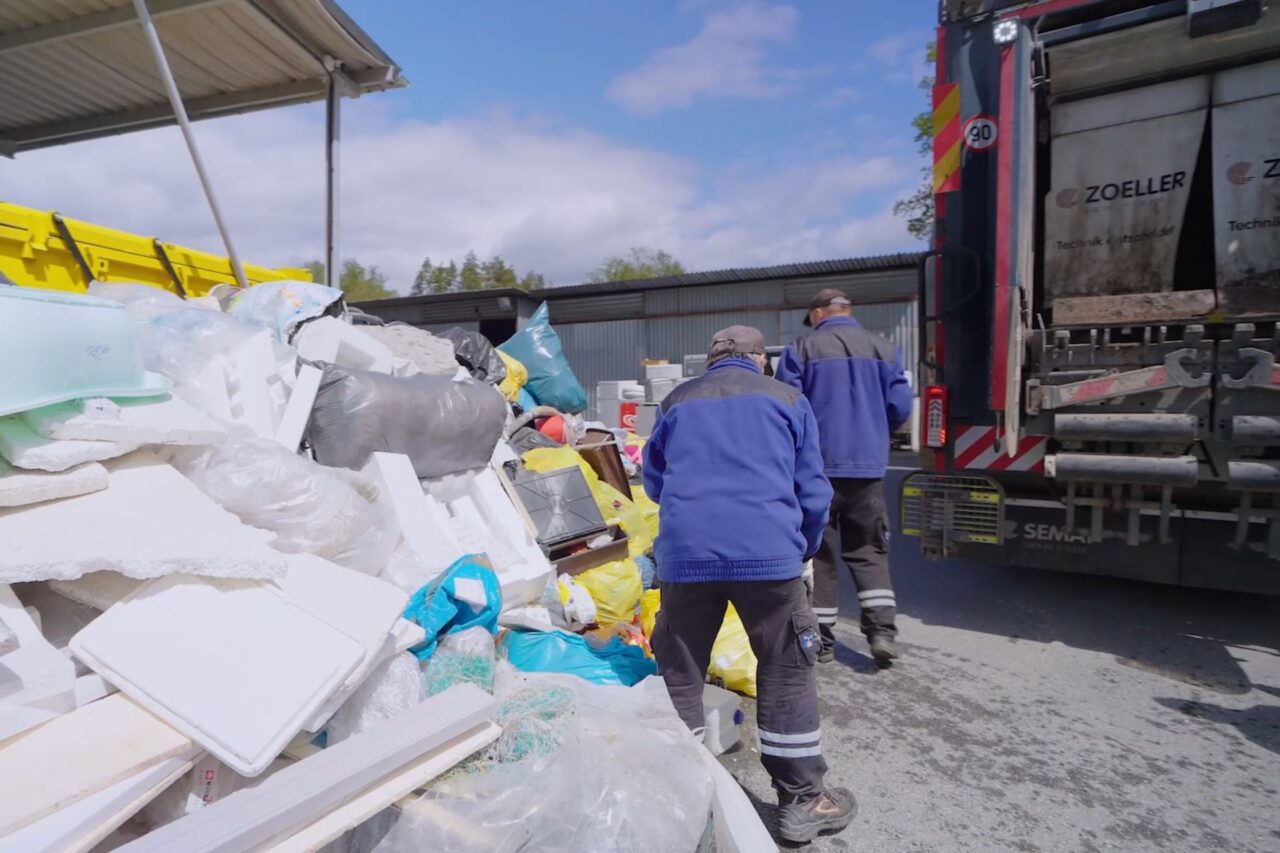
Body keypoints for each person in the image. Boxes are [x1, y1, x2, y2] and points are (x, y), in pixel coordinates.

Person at [644, 325, 856, 844]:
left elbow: (654, 480)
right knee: (786, 670)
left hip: (686, 559)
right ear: (760, 359)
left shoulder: (676, 401)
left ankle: (679, 795)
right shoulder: (788, 399)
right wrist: (800, 547)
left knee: (681, 670)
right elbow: (812, 492)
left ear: (712, 359)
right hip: (769, 557)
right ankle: (803, 801)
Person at [776, 289, 912, 667]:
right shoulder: (884, 348)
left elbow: (786, 406)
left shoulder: (802, 348)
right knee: (870, 550)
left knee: (820, 553)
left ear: (819, 312)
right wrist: (874, 435)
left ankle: (822, 641)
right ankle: (882, 633)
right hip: (867, 469)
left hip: (817, 469)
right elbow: (900, 405)